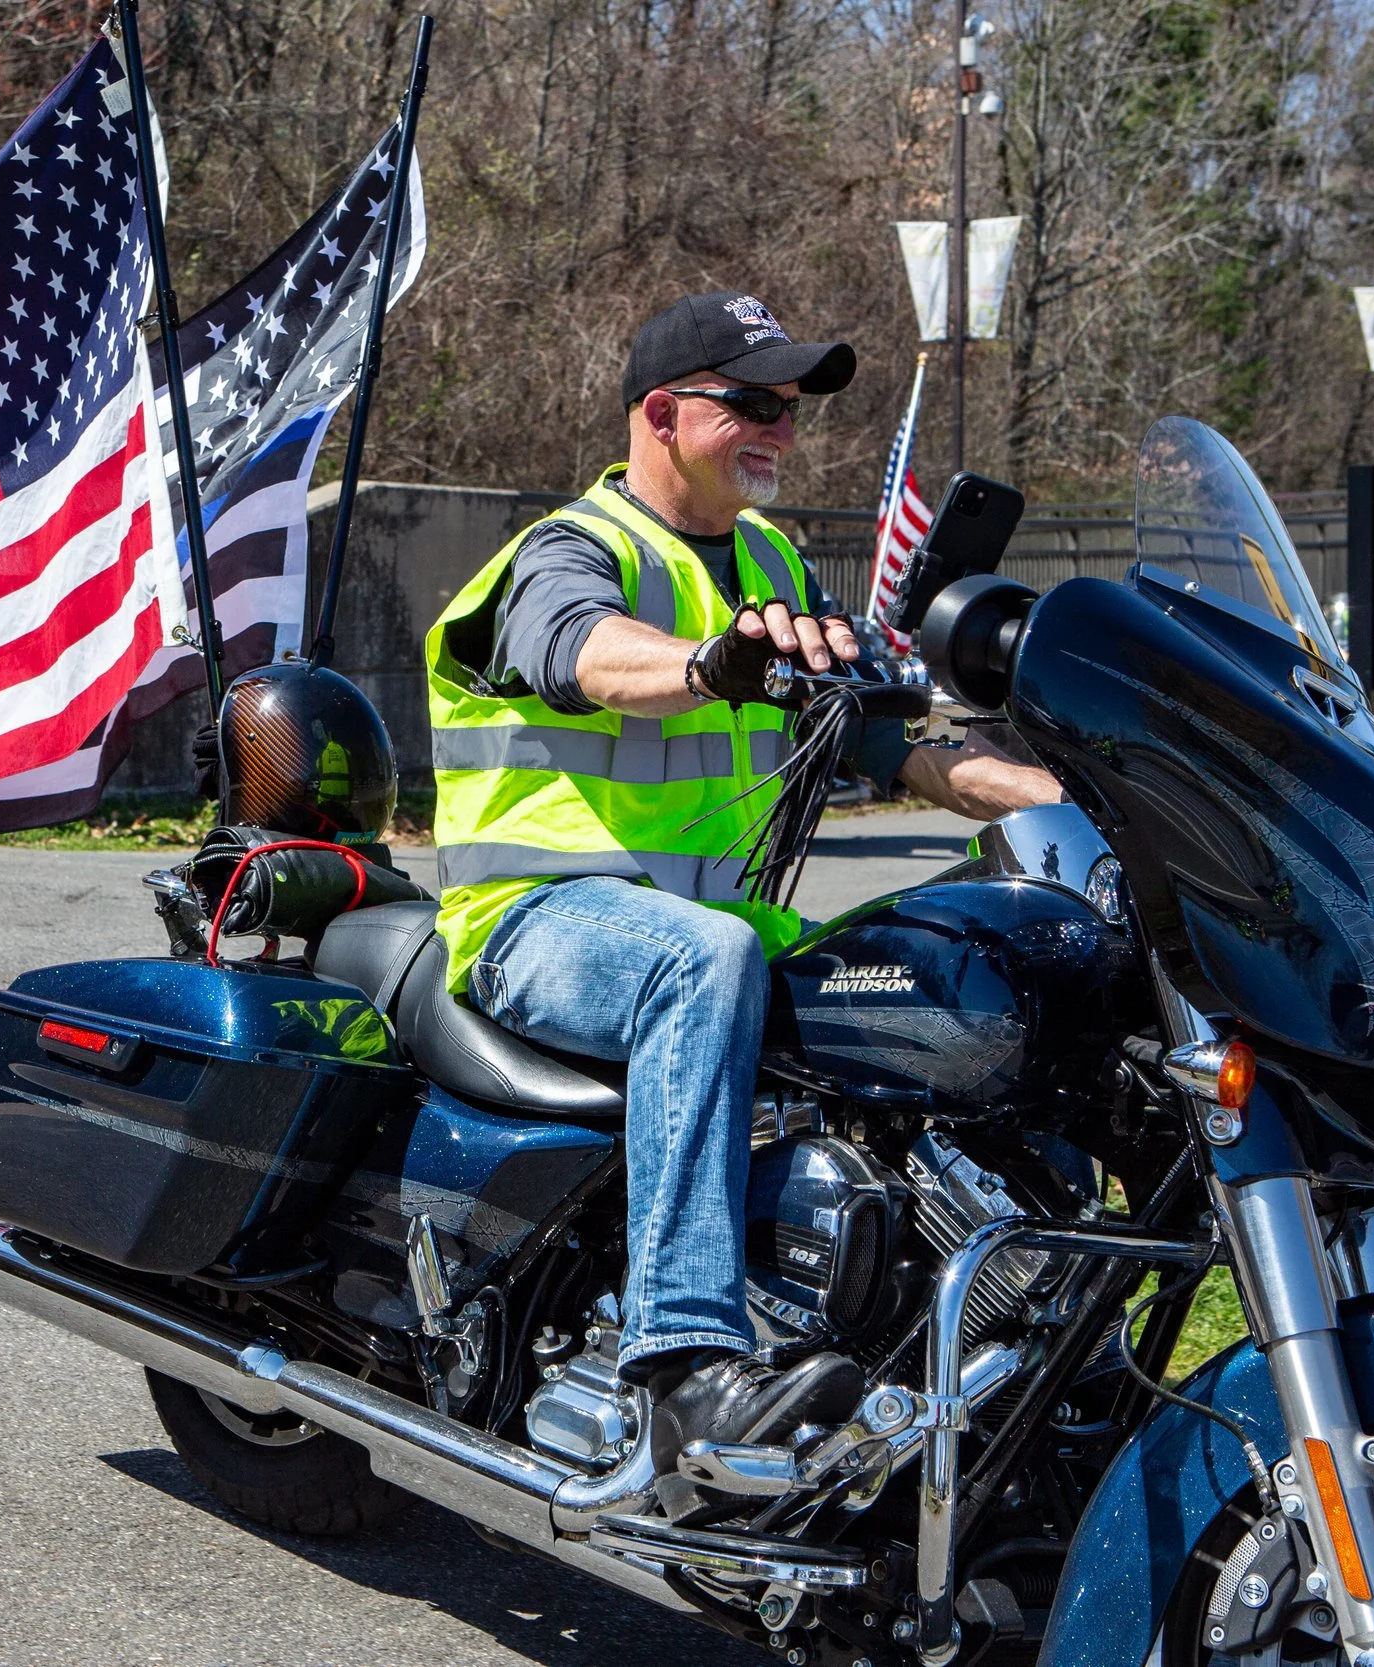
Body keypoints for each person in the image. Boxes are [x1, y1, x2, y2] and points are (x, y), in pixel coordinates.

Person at [422, 292, 1061, 1477]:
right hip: (538, 917)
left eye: (793, 408)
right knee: (696, 957)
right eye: (754, 403)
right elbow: (583, 653)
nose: (783, 428)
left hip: (719, 923)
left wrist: (1057, 796)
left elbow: (880, 736)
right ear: (661, 412)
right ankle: (680, 1366)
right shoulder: (572, 550)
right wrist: (712, 661)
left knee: (955, 975)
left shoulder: (767, 559)